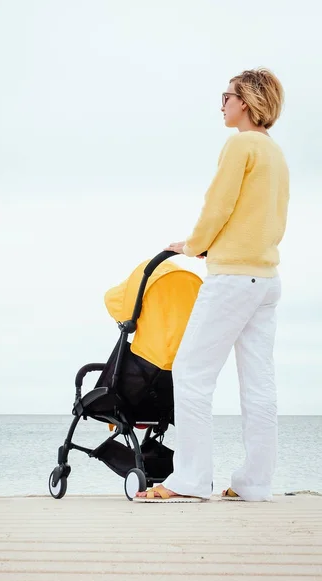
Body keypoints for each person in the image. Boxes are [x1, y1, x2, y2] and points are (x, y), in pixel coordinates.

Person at [135, 68, 290, 503]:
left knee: (192, 372)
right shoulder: (274, 153)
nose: (221, 104)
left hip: (234, 278)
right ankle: (255, 483)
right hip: (266, 278)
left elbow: (218, 204)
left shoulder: (240, 144)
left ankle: (190, 479)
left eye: (226, 96)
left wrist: (194, 245)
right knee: (259, 384)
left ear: (245, 102)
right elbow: (268, 215)